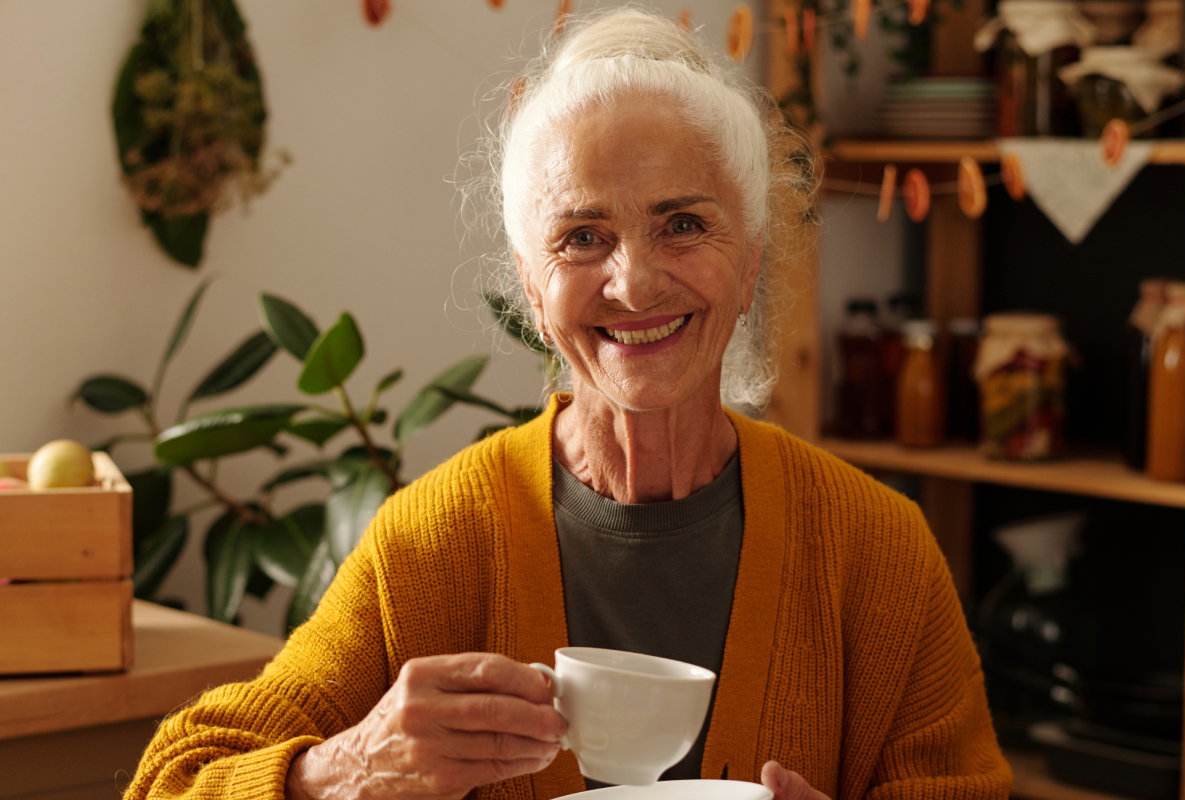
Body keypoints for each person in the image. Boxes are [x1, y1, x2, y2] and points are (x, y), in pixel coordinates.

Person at [121, 7, 1012, 800]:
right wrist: (349, 770)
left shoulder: (874, 552)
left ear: (750, 262)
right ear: (531, 286)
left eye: (683, 224)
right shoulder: (434, 545)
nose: (633, 282)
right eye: (583, 237)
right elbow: (173, 781)